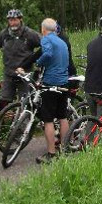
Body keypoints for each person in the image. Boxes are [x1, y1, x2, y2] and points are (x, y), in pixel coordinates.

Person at [0, 9, 41, 131]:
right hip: (9, 73)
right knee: (2, 102)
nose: (13, 23)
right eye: (10, 20)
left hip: (25, 74)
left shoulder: (30, 34)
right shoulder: (4, 34)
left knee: (25, 103)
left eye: (15, 20)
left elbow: (44, 45)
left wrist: (38, 62)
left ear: (20, 19)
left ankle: (22, 131)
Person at [23, 18, 68, 164]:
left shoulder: (46, 39)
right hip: (64, 82)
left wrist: (38, 63)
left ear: (43, 29)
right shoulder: (62, 41)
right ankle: (65, 149)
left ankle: (51, 154)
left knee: (47, 119)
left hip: (51, 83)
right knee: (62, 117)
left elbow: (47, 54)